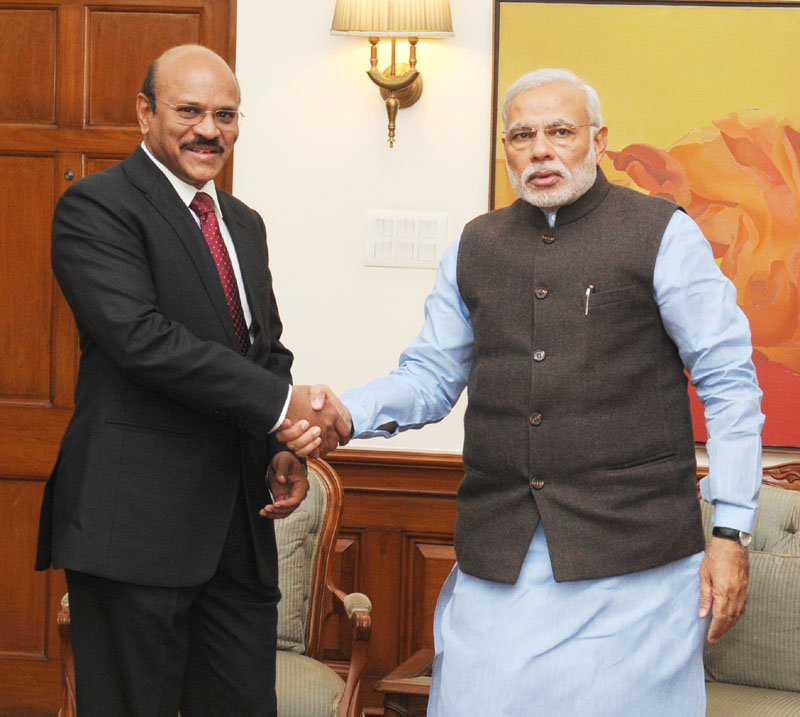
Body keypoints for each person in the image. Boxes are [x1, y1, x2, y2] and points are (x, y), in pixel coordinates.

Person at [279, 69, 764, 715]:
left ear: (597, 138)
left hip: (635, 561)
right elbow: (429, 376)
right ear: (504, 148)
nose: (541, 149)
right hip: (498, 552)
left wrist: (731, 530)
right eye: (522, 135)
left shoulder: (662, 233)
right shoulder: (474, 245)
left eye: (560, 132)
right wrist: (347, 411)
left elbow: (728, 380)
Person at [35, 45, 349, 717]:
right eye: (190, 111)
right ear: (145, 112)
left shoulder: (242, 223)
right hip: (135, 528)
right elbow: (143, 340)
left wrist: (282, 447)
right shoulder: (96, 208)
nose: (210, 129)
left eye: (226, 115)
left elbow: (264, 348)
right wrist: (281, 406)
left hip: (238, 533)